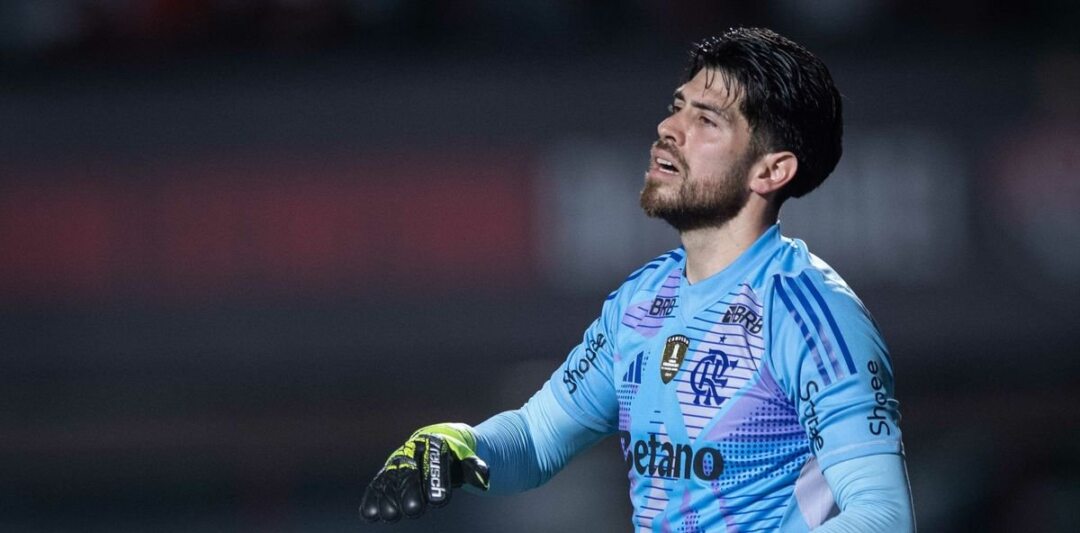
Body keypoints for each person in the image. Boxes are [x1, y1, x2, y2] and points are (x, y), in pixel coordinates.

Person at [360, 27, 916, 532]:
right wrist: (458, 446)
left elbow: (883, 516)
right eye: (678, 108)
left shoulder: (813, 315)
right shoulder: (643, 300)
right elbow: (534, 440)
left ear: (771, 170)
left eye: (706, 120)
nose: (669, 128)